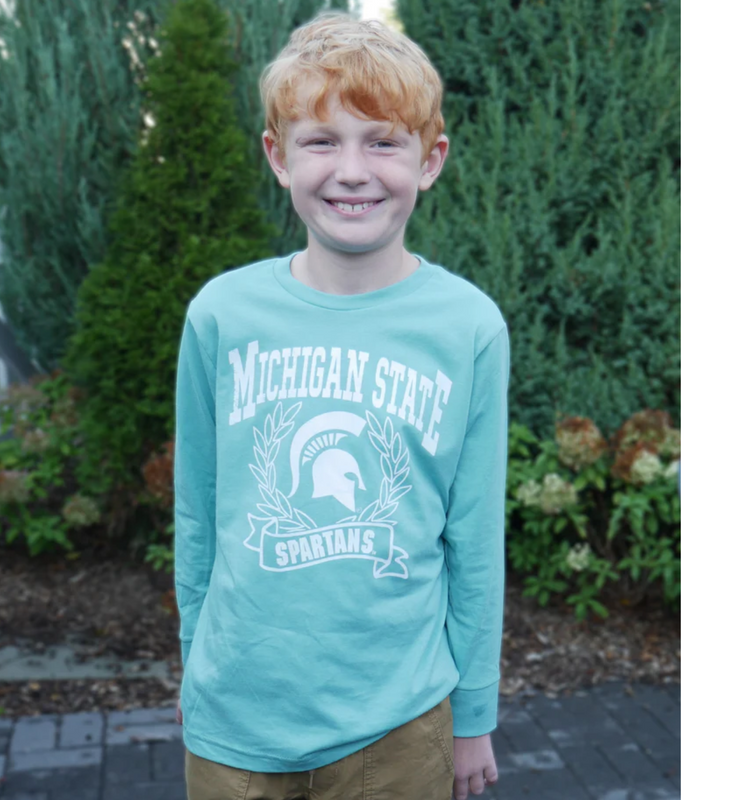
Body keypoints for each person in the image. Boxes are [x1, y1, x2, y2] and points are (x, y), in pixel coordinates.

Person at [174, 12, 509, 800]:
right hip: (237, 716)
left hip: (399, 721)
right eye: (321, 141)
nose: (351, 170)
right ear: (277, 157)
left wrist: (474, 715)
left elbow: (475, 538)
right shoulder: (222, 315)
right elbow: (199, 511)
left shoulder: (468, 327)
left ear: (430, 161)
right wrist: (195, 661)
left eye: (383, 141)